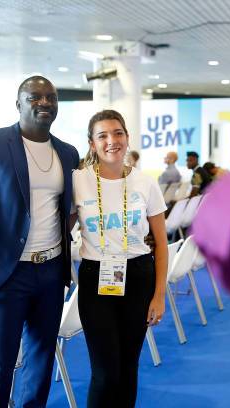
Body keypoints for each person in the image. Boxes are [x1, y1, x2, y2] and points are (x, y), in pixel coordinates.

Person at [0, 76, 79, 407]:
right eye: (35, 97)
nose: (44, 103)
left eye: (51, 97)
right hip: (5, 275)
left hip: (51, 272)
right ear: (19, 103)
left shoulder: (67, 153)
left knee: (40, 364)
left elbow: (64, 210)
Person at [71, 109, 168, 407]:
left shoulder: (146, 183)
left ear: (127, 138)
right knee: (105, 373)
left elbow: (162, 245)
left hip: (139, 275)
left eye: (118, 133)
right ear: (92, 143)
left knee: (128, 368)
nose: (111, 141)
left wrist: (159, 295)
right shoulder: (78, 181)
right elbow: (59, 231)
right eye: (102, 135)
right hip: (95, 278)